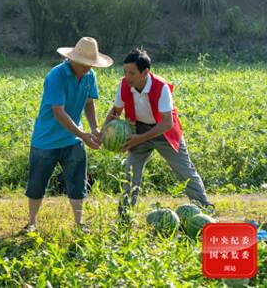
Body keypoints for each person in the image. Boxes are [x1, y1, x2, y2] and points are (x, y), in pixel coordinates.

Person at [102, 48, 213, 215]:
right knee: (131, 172)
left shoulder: (161, 87)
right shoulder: (124, 85)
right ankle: (125, 216)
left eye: (131, 73)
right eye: (125, 72)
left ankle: (205, 210)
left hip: (164, 131)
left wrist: (140, 138)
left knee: (185, 170)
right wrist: (102, 131)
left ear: (145, 72)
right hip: (138, 130)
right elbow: (115, 111)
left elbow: (167, 122)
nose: (127, 76)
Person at [23, 37, 113, 232]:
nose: (89, 68)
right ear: (74, 59)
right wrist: (83, 134)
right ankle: (31, 223)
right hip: (46, 139)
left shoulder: (89, 76)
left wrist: (95, 128)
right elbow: (58, 112)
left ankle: (79, 223)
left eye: (92, 64)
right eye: (86, 64)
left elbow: (89, 103)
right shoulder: (56, 76)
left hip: (72, 139)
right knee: (37, 184)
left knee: (77, 183)